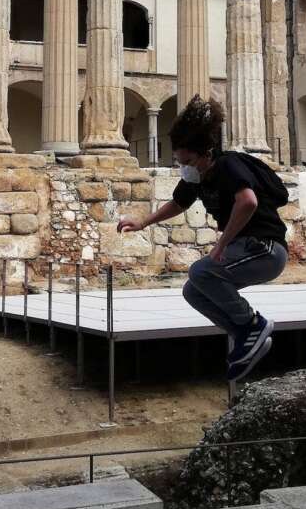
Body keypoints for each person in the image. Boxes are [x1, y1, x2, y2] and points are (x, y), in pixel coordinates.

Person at [117, 96, 288, 380]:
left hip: (266, 249)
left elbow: (248, 202)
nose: (184, 167)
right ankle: (245, 336)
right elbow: (179, 203)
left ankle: (253, 325)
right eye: (180, 162)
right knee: (193, 290)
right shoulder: (197, 178)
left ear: (206, 153)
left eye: (187, 161)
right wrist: (143, 222)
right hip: (248, 249)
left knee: (201, 270)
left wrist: (221, 244)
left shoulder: (228, 165)